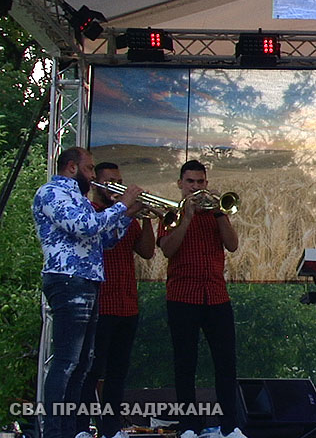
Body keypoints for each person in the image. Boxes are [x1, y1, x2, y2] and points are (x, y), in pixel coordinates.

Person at [33, 147, 143, 438]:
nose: (93, 175)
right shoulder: (52, 193)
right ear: (72, 167)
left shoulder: (79, 199)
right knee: (66, 361)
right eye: (90, 168)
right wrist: (122, 205)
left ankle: (69, 430)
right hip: (67, 280)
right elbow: (84, 226)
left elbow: (104, 240)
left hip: (88, 281)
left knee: (82, 363)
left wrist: (129, 214)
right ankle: (54, 431)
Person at [157, 160, 243, 438]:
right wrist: (187, 218)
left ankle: (230, 426)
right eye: (190, 182)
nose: (196, 187)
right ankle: (188, 426)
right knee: (185, 364)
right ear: (180, 184)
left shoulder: (216, 213)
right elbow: (167, 249)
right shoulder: (171, 213)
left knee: (226, 363)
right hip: (183, 296)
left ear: (207, 183)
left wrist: (219, 213)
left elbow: (232, 245)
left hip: (216, 295)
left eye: (200, 182)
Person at [77, 162, 156, 438]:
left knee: (118, 373)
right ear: (96, 184)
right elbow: (98, 239)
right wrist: (126, 210)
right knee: (91, 371)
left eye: (119, 182)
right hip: (101, 304)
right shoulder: (91, 213)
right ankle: (81, 428)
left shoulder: (127, 217)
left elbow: (147, 251)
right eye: (110, 182)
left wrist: (146, 216)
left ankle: (110, 429)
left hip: (126, 304)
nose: (117, 187)